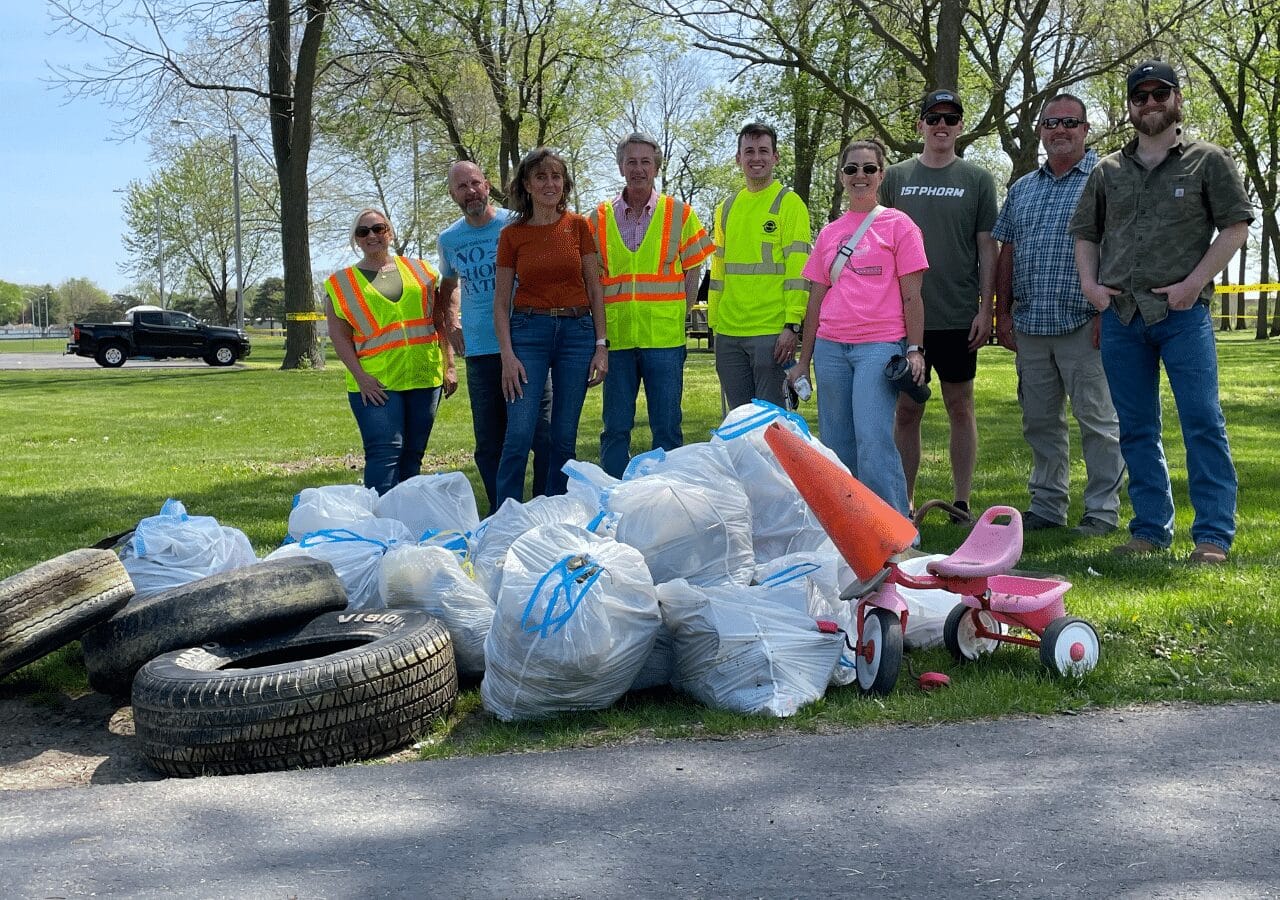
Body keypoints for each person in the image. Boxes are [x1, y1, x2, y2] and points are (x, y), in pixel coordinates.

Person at [1070, 60, 1251, 564]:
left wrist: (1194, 285)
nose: (1150, 102)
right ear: (1130, 105)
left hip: (1183, 316)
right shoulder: (1107, 170)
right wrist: (1091, 286)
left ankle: (1213, 537)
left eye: (1160, 93)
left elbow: (1235, 227)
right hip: (1123, 318)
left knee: (1202, 421)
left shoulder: (1208, 160)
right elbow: (1086, 233)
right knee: (1136, 427)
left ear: (1176, 99)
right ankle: (1149, 530)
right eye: (1141, 95)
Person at [991, 94, 1125, 537]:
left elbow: (1121, 248)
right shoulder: (1023, 188)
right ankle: (1048, 506)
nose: (1059, 130)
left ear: (1086, 129)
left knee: (1098, 423)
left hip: (1086, 322)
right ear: (1041, 132)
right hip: (1030, 325)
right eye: (1051, 123)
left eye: (1070, 122)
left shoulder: (1109, 178)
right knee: (1040, 423)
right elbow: (1006, 252)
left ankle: (1102, 513)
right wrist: (1002, 313)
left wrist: (1110, 310)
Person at [788, 139, 927, 518]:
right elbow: (815, 300)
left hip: (879, 346)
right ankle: (848, 529)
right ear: (842, 176)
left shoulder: (900, 225)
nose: (859, 176)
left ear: (881, 174)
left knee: (873, 439)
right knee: (836, 444)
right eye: (852, 169)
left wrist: (915, 349)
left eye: (868, 168)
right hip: (831, 348)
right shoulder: (830, 232)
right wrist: (804, 361)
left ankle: (895, 530)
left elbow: (913, 297)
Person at [880, 89, 998, 520]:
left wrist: (987, 309)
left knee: (959, 406)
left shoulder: (978, 180)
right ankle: (903, 502)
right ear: (921, 126)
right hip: (903, 317)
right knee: (907, 409)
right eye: (934, 118)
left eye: (950, 118)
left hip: (957, 315)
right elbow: (878, 243)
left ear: (961, 126)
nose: (942, 126)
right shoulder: (895, 177)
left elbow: (988, 249)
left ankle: (962, 502)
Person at [587, 132, 715, 477]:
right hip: (617, 340)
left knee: (667, 427)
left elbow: (694, 268)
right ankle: (612, 496)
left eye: (646, 162)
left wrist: (682, 312)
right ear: (620, 167)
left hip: (665, 339)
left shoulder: (680, 213)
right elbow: (593, 282)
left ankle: (670, 498)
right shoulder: (597, 218)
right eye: (631, 161)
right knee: (614, 428)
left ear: (656, 167)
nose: (639, 169)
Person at [493, 148, 609, 505]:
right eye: (541, 177)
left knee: (563, 436)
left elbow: (594, 287)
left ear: (565, 184)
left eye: (556, 176)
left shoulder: (579, 227)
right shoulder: (512, 235)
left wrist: (601, 345)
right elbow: (500, 302)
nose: (549, 183)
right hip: (529, 333)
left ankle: (555, 510)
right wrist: (507, 356)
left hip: (577, 335)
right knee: (520, 433)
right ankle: (504, 517)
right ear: (526, 185)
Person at [438, 160, 552, 515]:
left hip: (527, 342)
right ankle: (505, 512)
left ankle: (547, 505)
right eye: (461, 186)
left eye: (475, 183)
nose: (470, 191)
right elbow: (447, 286)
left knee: (542, 434)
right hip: (482, 350)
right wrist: (451, 324)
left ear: (487, 186)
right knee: (490, 441)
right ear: (453, 194)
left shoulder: (516, 224)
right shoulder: (449, 239)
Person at [324, 208, 456, 495]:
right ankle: (380, 528)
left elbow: (440, 319)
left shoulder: (423, 271)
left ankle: (405, 523)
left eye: (378, 228)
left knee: (413, 456)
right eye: (363, 231)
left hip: (424, 376)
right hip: (376, 382)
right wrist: (361, 378)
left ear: (390, 232)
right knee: (385, 453)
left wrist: (449, 365)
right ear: (356, 240)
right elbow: (340, 337)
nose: (372, 235)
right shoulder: (340, 283)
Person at [708, 122, 812, 408]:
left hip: (772, 333)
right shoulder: (726, 208)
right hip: (729, 332)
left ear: (776, 157)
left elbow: (799, 268)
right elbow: (718, 270)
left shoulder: (790, 204)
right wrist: (715, 324)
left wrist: (792, 324)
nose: (757, 158)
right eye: (749, 151)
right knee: (739, 423)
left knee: (774, 425)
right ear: (738, 158)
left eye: (764, 151)